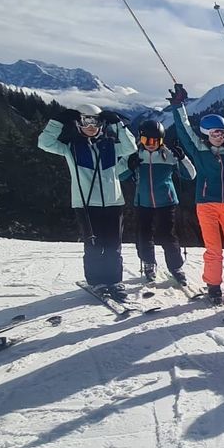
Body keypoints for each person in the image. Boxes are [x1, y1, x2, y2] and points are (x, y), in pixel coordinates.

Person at [166, 85, 224, 303]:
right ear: (207, 134)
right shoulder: (199, 149)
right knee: (214, 248)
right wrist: (178, 106)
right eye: (215, 133)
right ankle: (213, 285)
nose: (220, 136)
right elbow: (184, 129)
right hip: (206, 204)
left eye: (223, 133)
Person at [37, 103, 137, 301]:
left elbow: (131, 147)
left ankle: (114, 281)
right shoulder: (71, 148)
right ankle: (96, 281)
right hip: (85, 204)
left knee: (113, 245)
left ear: (101, 123)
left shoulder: (111, 146)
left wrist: (118, 126)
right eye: (85, 120)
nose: (90, 125)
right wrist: (58, 121)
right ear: (78, 123)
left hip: (113, 203)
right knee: (92, 245)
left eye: (95, 121)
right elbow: (44, 143)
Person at [119, 119, 196, 287]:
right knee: (143, 236)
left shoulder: (168, 155)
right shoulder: (134, 155)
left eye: (156, 141)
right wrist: (130, 166)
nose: (151, 144)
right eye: (147, 140)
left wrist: (182, 158)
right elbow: (119, 174)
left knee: (168, 236)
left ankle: (176, 267)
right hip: (143, 202)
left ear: (161, 140)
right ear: (141, 139)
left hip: (166, 202)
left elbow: (191, 175)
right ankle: (148, 263)